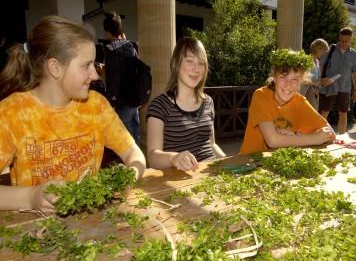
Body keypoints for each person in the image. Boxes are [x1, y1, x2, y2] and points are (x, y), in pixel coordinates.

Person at [0, 15, 146, 213]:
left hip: (93, 226)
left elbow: (133, 153)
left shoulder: (97, 105)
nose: (95, 75)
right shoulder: (11, 113)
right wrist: (32, 197)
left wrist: (129, 175)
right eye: (86, 65)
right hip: (36, 232)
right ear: (55, 68)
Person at [146, 37, 226, 172]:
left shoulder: (208, 102)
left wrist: (227, 161)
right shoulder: (159, 106)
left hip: (211, 174)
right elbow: (152, 156)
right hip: (180, 180)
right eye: (189, 61)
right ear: (175, 64)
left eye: (201, 63)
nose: (196, 69)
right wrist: (173, 158)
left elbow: (211, 145)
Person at [239, 49, 336, 155]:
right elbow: (273, 141)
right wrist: (313, 138)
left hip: (278, 164)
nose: (288, 85)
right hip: (248, 163)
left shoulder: (299, 101)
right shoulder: (261, 96)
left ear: (301, 81)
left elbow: (331, 135)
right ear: (274, 77)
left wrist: (296, 136)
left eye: (295, 79)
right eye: (283, 77)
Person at [103, 12, 141, 146]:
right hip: (134, 95)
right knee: (135, 127)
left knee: (125, 131)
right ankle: (139, 157)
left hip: (122, 99)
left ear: (107, 32)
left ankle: (130, 161)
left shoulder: (111, 52)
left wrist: (111, 100)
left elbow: (113, 79)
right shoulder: (131, 47)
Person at [319, 27, 356, 135]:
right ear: (339, 37)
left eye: (346, 41)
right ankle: (321, 135)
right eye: (342, 40)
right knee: (324, 112)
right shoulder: (331, 49)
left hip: (344, 88)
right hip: (329, 86)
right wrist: (320, 82)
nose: (343, 43)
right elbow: (321, 65)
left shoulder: (354, 55)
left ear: (351, 39)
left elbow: (354, 74)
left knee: (343, 114)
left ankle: (341, 137)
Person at [300, 38, 331, 111]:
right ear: (317, 49)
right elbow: (305, 81)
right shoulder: (307, 61)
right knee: (311, 114)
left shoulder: (317, 61)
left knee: (314, 114)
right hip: (308, 91)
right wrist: (320, 81)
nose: (323, 54)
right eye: (322, 51)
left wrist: (321, 84)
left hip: (316, 91)